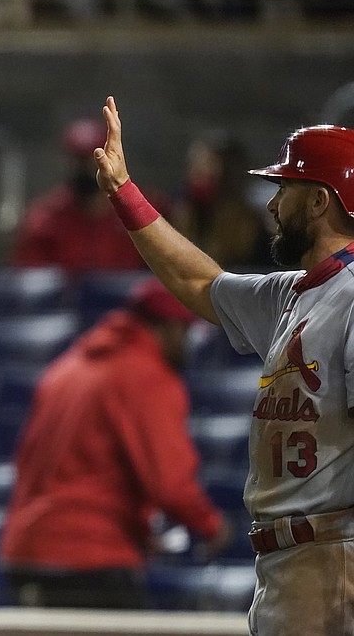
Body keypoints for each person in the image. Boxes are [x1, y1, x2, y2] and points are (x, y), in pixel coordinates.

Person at [95, 96, 354, 634]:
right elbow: (198, 282)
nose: (272, 203)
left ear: (319, 202)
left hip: (334, 557)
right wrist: (124, 193)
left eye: (286, 188)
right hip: (292, 562)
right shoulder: (293, 295)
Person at [0, 277, 230, 609]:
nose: (190, 342)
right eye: (187, 330)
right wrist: (212, 525)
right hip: (88, 557)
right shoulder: (147, 376)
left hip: (24, 551)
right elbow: (170, 482)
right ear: (169, 327)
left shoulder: (68, 367)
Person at [9, 117, 152, 272]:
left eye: (93, 160)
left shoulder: (135, 212)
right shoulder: (44, 219)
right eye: (79, 160)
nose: (85, 169)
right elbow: (30, 279)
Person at [171, 131, 274, 270]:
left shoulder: (251, 231)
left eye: (208, 167)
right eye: (196, 166)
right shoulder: (179, 216)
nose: (199, 176)